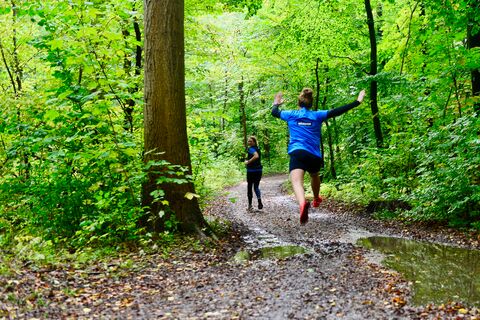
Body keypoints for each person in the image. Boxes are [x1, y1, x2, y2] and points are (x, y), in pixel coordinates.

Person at [271, 88, 366, 224]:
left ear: (299, 103)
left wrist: (276, 102)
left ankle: (303, 203)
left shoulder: (290, 114)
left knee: (297, 181)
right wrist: (357, 101)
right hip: (314, 155)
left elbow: (274, 113)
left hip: (298, 152)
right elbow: (337, 111)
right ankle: (316, 198)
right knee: (314, 175)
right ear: (311, 104)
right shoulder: (317, 115)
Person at [245, 136, 263, 211]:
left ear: (254, 142)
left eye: (250, 141)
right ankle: (259, 201)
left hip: (251, 171)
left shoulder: (251, 149)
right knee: (256, 187)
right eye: (248, 141)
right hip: (259, 170)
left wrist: (248, 162)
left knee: (249, 187)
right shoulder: (258, 149)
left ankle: (250, 206)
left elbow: (256, 156)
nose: (249, 142)